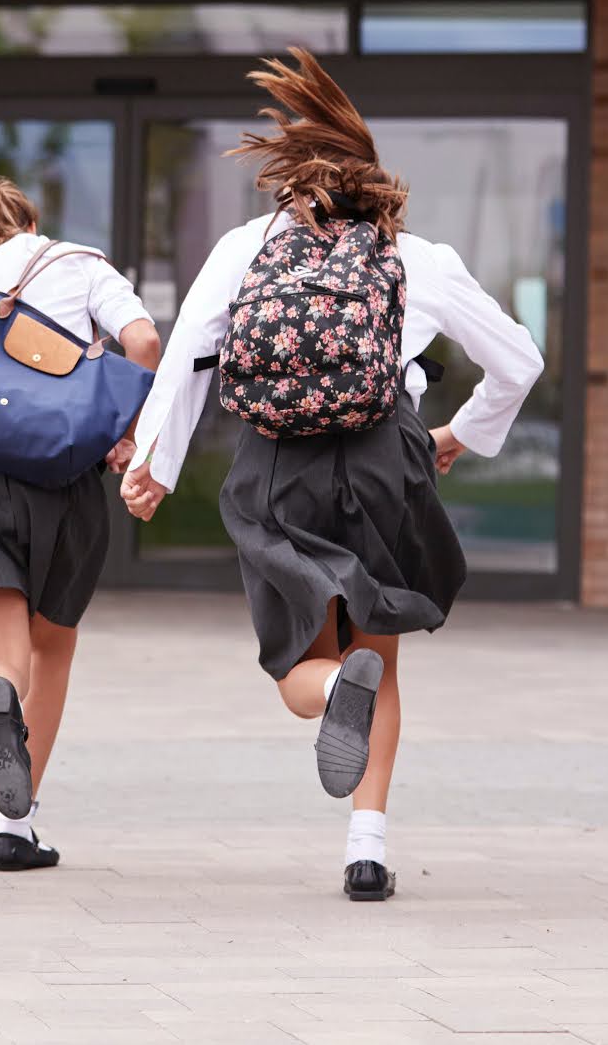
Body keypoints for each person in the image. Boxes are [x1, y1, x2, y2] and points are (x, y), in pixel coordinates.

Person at [121, 48, 543, 902]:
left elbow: (191, 358)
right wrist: (461, 433)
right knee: (377, 650)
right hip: (387, 455)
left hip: (279, 467)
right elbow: (520, 361)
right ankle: (369, 851)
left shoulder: (248, 248)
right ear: (372, 177)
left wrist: (154, 463)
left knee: (297, 672)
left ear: (291, 178)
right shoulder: (418, 256)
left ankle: (327, 689)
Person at [0, 175, 161, 871]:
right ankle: (16, 826)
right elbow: (144, 339)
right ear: (29, 221)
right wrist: (124, 434)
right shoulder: (80, 263)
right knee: (53, 647)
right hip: (62, 479)